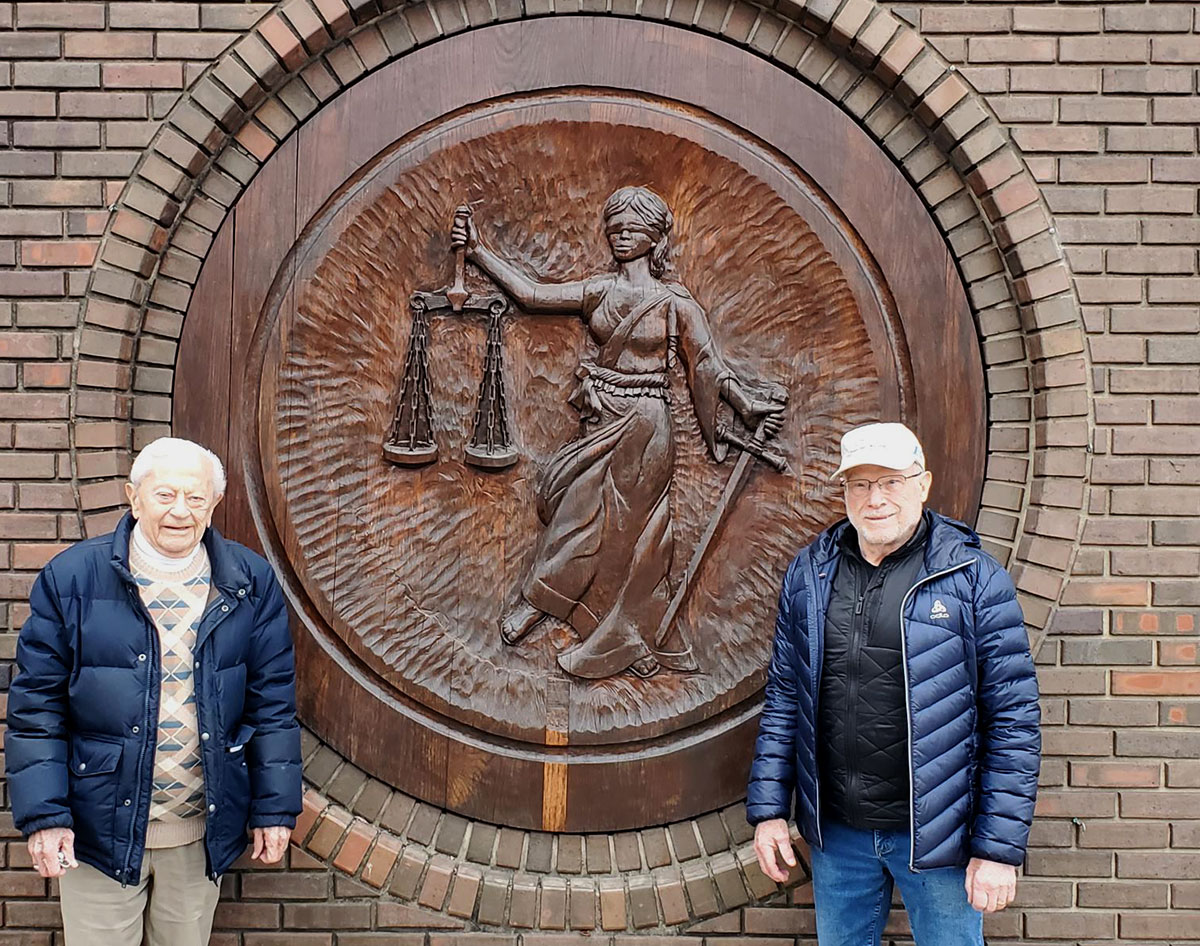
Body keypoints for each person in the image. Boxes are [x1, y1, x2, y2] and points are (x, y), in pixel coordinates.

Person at [452, 185, 783, 679]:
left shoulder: (676, 303)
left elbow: (708, 367)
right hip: (602, 416)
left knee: (636, 536)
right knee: (573, 509)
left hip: (648, 426)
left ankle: (602, 626)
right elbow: (533, 296)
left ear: (654, 237)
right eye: (615, 229)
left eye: (632, 228)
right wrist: (479, 254)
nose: (622, 236)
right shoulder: (599, 291)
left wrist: (749, 405)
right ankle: (543, 601)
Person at [746, 422, 1040, 946]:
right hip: (838, 837)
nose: (874, 498)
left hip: (941, 840)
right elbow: (786, 699)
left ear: (922, 484)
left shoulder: (972, 577)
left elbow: (1013, 721)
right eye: (859, 484)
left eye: (890, 481)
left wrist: (996, 848)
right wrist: (769, 810)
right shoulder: (810, 575)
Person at [5, 437, 303, 946]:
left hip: (197, 831)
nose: (180, 512)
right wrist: (46, 816)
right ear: (133, 496)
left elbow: (272, 702)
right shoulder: (72, 578)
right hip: (96, 832)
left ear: (213, 506)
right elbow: (37, 710)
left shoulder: (250, 582)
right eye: (165, 495)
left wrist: (275, 807)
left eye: (195, 498)